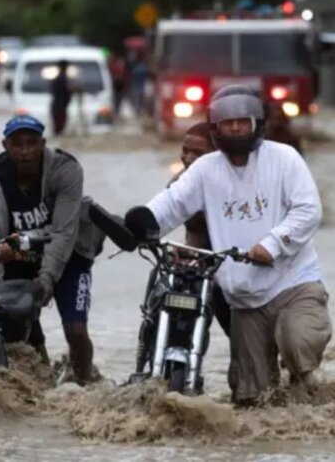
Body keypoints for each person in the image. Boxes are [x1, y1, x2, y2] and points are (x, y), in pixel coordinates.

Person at [140, 85, 331, 405]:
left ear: (257, 123)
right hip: (243, 299)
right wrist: (140, 223)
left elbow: (309, 210)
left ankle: (306, 394)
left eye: (243, 120)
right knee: (249, 399)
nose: (236, 127)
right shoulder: (205, 169)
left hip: (293, 283)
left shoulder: (285, 158)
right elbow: (172, 203)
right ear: (216, 127)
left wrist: (272, 244)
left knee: (298, 344)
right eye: (228, 122)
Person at [0, 115, 105, 384]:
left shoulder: (65, 169)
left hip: (70, 254)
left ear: (43, 144)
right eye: (17, 144)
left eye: (32, 143)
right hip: (17, 258)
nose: (25, 152)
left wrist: (48, 276)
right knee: (13, 327)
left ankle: (86, 385)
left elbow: (64, 231)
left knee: (76, 329)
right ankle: (39, 385)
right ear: (5, 145)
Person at [168, 122, 230, 337]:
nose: (188, 158)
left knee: (235, 327)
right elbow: (192, 230)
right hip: (200, 260)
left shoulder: (232, 186)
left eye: (198, 153)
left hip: (231, 261)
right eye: (185, 150)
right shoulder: (177, 184)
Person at [50, 60, 73, 135]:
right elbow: (68, 89)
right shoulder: (61, 79)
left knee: (59, 128)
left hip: (59, 107)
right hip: (59, 107)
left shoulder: (60, 78)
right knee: (59, 129)